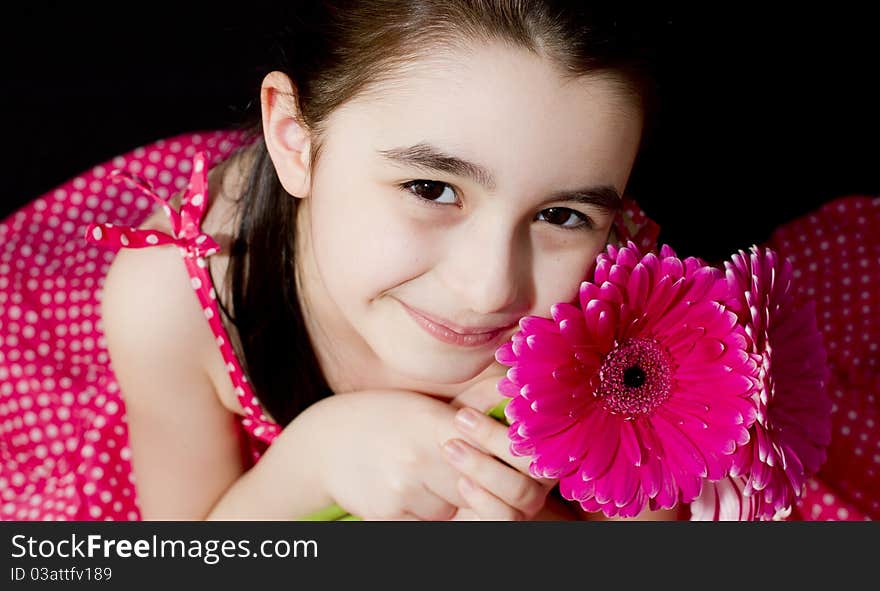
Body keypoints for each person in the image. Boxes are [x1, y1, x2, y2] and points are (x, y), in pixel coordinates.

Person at [1, 2, 874, 522]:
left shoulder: (622, 312)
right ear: (294, 137)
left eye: (562, 213)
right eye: (431, 188)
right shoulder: (171, 304)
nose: (490, 285)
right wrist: (310, 461)